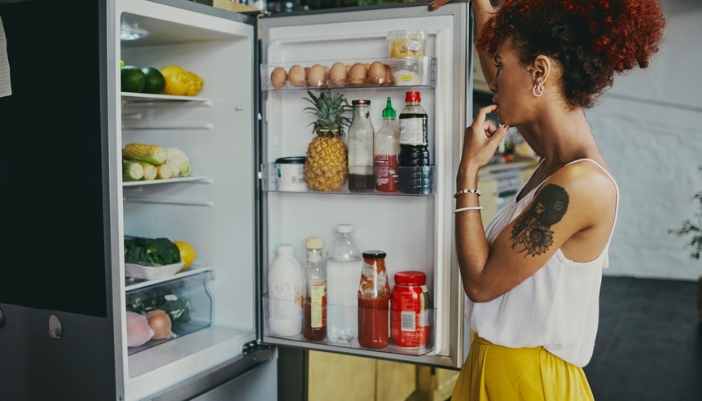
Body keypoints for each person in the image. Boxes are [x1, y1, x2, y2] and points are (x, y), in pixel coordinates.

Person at [428, 0, 666, 399]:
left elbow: (482, 283)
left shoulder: (580, 184)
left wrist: (466, 172)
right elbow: (507, 80)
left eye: (502, 67)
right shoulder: (556, 161)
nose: (493, 80)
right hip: (493, 370)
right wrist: (480, 5)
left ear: (540, 71)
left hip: (531, 384)